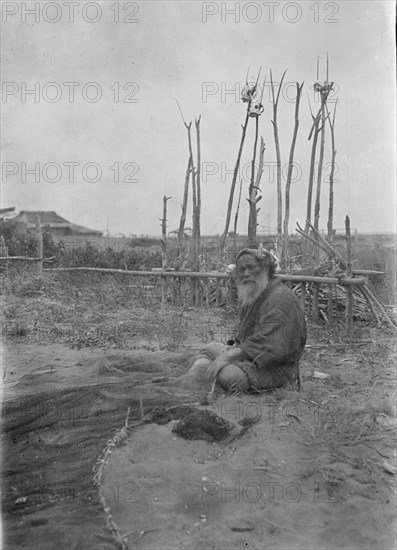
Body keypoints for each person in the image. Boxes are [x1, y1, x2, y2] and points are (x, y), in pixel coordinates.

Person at [189, 247, 307, 393]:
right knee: (210, 348)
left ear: (265, 269)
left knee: (229, 375)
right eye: (241, 269)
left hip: (278, 368)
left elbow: (272, 344)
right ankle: (195, 380)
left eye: (251, 267)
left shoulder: (280, 298)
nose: (246, 274)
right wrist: (231, 351)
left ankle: (206, 376)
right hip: (250, 358)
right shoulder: (255, 293)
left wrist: (228, 356)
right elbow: (244, 337)